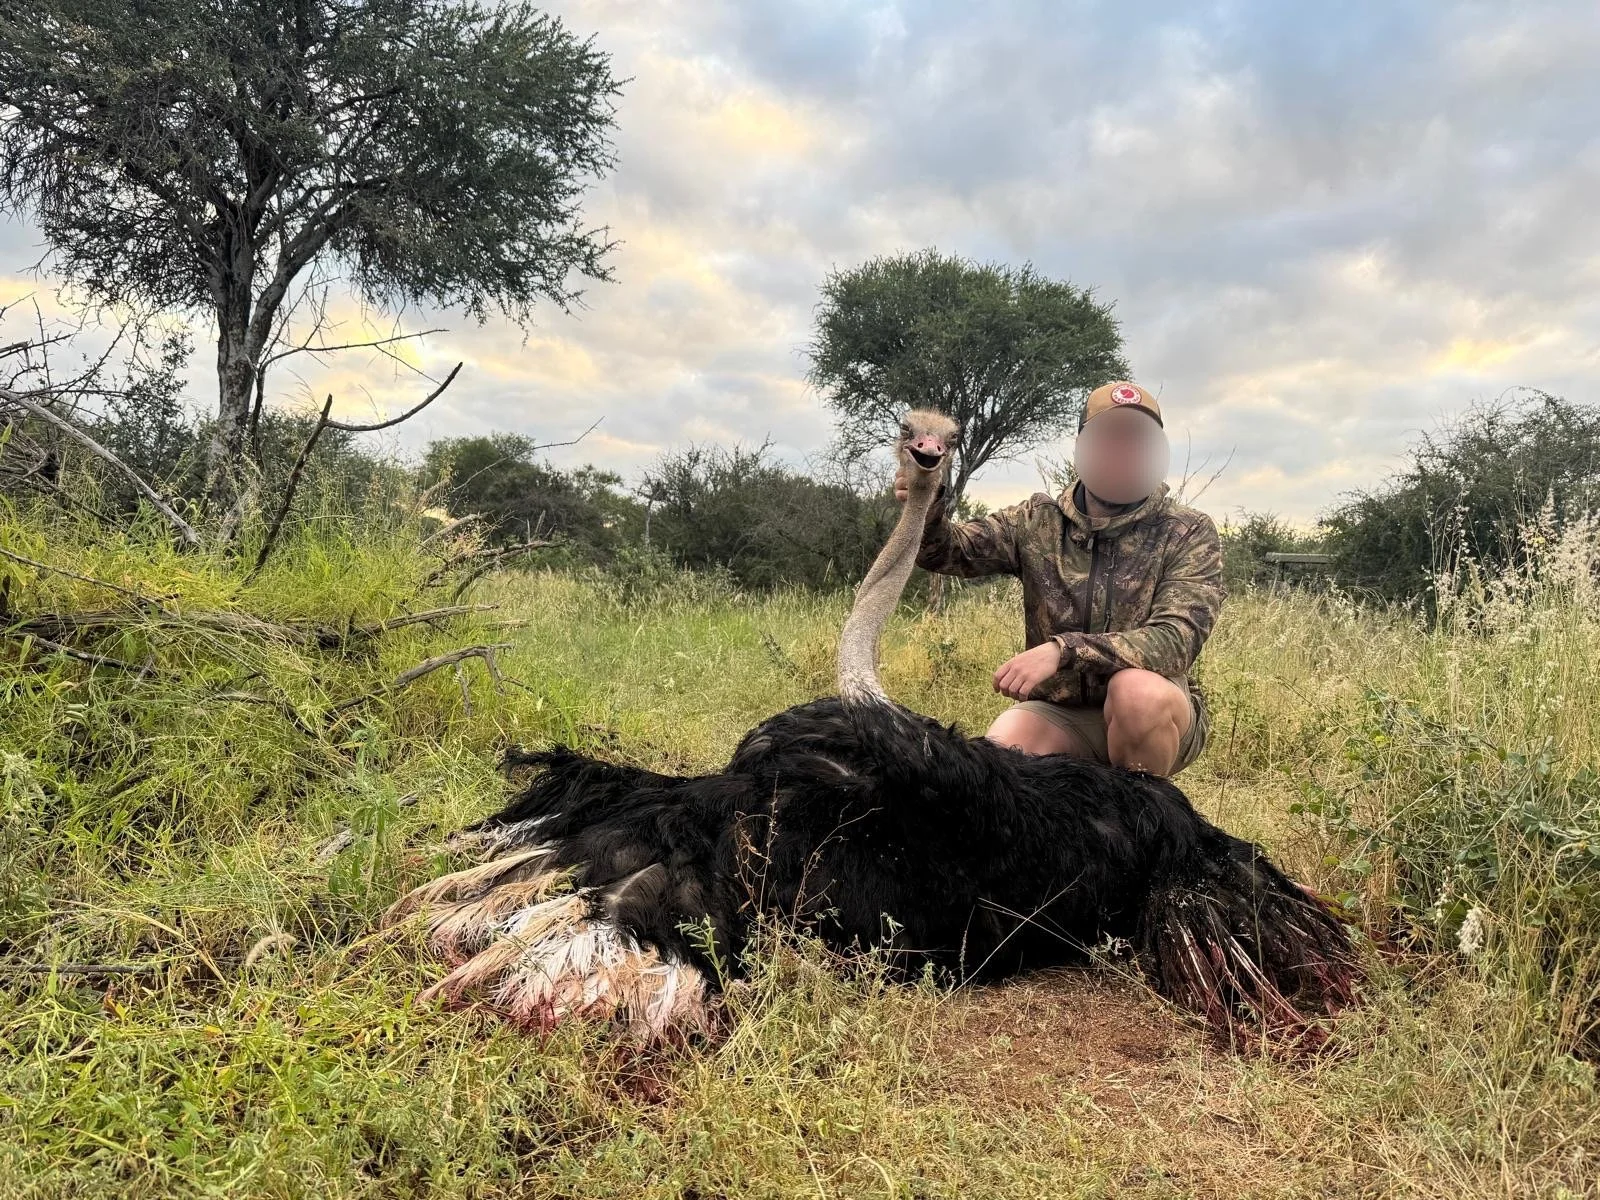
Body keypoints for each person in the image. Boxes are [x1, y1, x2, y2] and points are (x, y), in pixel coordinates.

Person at [894, 381, 1226, 776]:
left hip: (1153, 712)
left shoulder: (1187, 531)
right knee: (1004, 749)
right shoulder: (1036, 521)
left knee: (1136, 694)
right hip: (1061, 711)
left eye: (1136, 440)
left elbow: (1175, 640)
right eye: (1110, 437)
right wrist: (926, 503)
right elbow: (947, 553)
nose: (1123, 451)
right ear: (1083, 446)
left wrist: (1062, 650)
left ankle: (1138, 822)